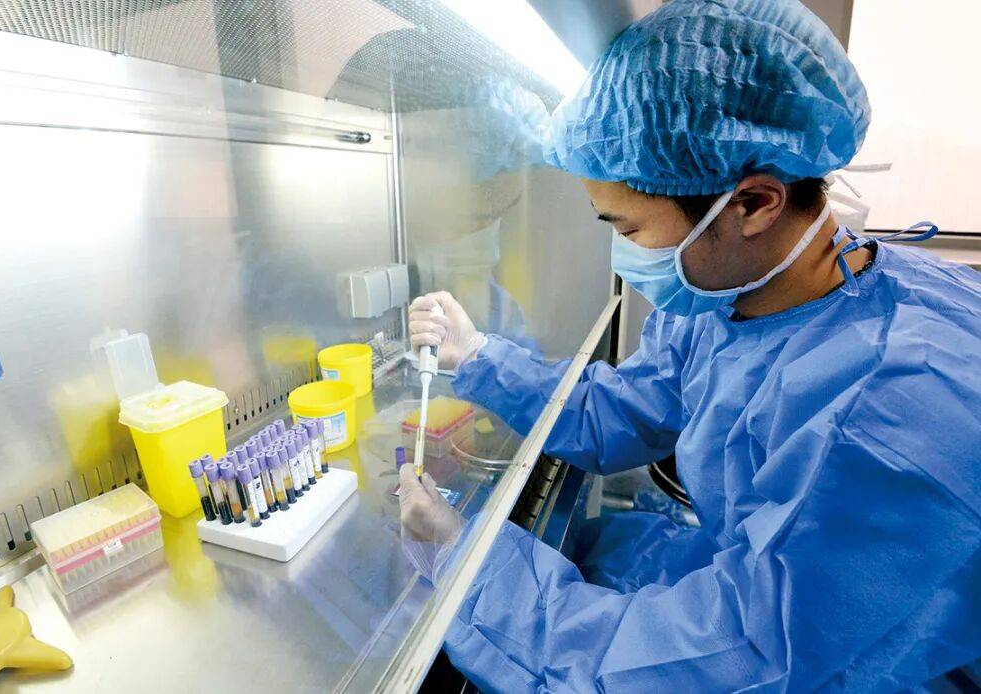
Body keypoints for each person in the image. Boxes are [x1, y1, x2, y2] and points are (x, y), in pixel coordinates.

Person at [397, 1, 981, 691]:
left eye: (630, 230)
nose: (624, 257)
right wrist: (481, 358)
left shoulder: (893, 411)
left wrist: (471, 569)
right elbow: (631, 410)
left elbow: (743, 657)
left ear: (753, 204)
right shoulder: (731, 294)